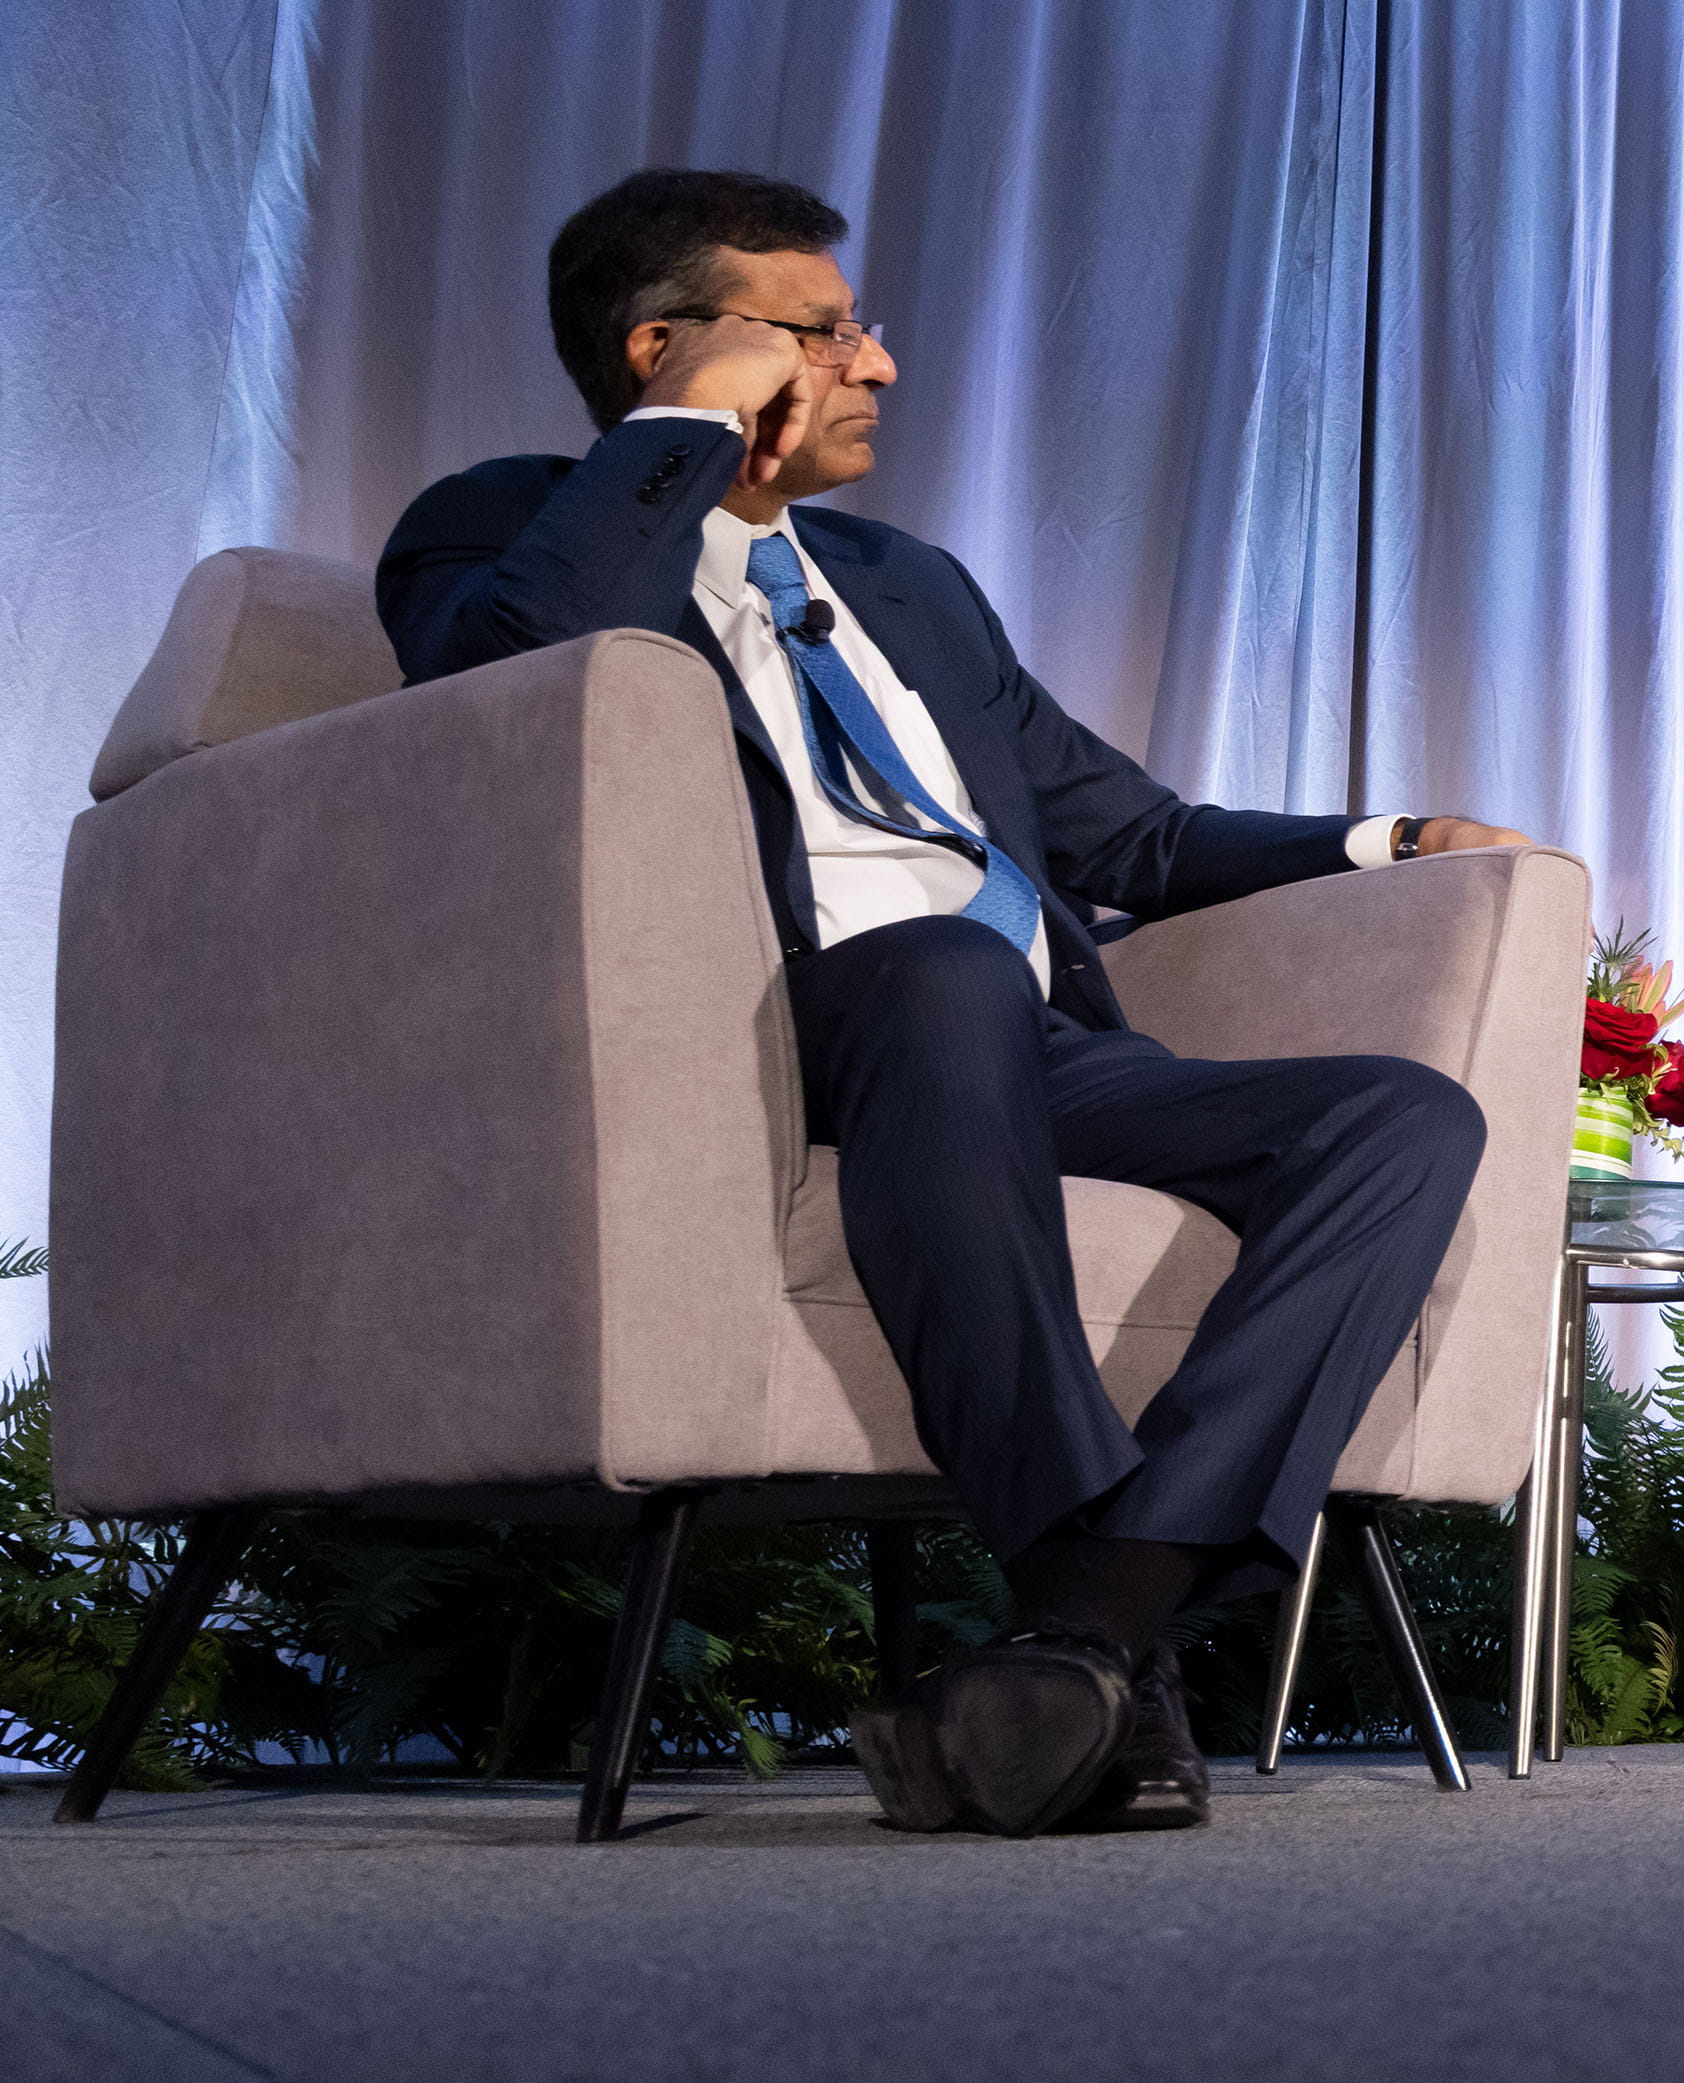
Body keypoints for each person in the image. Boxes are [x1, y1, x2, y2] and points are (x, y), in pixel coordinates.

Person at [379, 170, 1538, 1834]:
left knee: (1404, 1112)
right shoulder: (501, 526)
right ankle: (1096, 1608)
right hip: (778, 1039)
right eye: (826, 328)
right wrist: (677, 442)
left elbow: (1128, 830)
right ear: (667, 350)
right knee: (932, 968)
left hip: (1021, 1037)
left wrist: (1389, 838)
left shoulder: (908, 582)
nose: (881, 362)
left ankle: (1089, 1627)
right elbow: (492, 690)